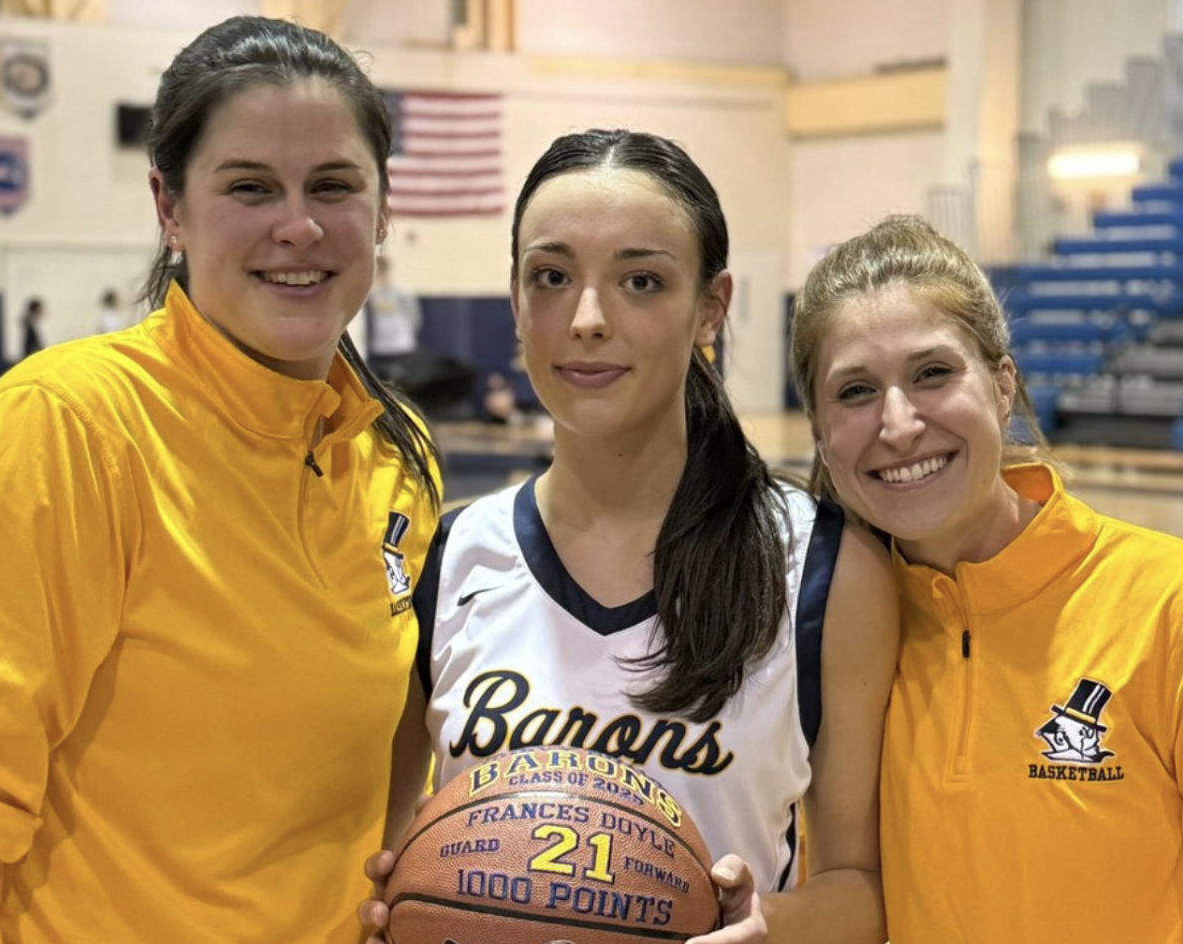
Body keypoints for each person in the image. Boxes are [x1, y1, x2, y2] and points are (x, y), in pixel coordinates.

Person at [361, 129, 899, 943]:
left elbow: (861, 887)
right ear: (515, 301)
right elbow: (395, 844)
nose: (586, 319)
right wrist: (399, 901)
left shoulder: (823, 567)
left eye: (641, 281)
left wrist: (765, 926)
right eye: (551, 277)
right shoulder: (447, 561)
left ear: (711, 306)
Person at [0, 16, 441, 944]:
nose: (299, 225)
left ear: (383, 208)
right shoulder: (66, 427)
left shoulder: (399, 455)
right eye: (249, 187)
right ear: (170, 209)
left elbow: (396, 753)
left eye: (335, 185)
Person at [788, 215, 1183, 943]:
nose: (899, 424)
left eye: (933, 373)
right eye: (854, 391)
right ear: (818, 429)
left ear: (1003, 384)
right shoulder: (821, 637)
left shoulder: (1164, 603)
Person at [366, 253, 421, 378]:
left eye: (380, 271)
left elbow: (414, 317)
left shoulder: (401, 293)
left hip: (401, 346)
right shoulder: (371, 295)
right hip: (379, 348)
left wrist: (408, 336)